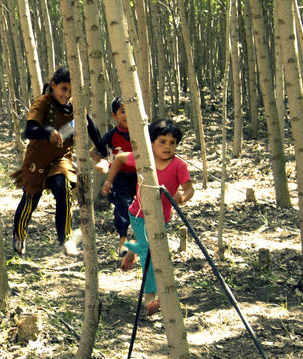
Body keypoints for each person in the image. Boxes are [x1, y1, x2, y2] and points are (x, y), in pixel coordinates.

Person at [100, 119, 195, 316]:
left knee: (147, 245)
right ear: (151, 142)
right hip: (138, 214)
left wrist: (183, 198)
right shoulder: (144, 160)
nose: (167, 147)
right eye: (162, 142)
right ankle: (150, 298)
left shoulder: (179, 165)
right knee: (150, 255)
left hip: (162, 217)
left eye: (172, 143)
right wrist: (109, 181)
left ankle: (131, 250)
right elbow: (119, 158)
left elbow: (189, 188)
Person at [10, 67, 102, 257]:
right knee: (30, 199)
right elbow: (30, 130)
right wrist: (48, 132)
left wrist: (104, 152)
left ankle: (66, 239)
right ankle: (19, 236)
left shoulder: (76, 106)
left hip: (61, 159)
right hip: (38, 159)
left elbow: (92, 129)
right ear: (53, 85)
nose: (67, 95)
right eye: (63, 89)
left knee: (63, 187)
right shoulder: (42, 103)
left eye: (71, 91)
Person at [92, 97, 136, 257]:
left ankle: (139, 240)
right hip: (118, 175)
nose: (127, 115)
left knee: (142, 204)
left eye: (130, 110)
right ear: (114, 115)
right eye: (123, 111)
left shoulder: (141, 133)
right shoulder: (111, 135)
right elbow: (94, 151)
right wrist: (103, 161)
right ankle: (123, 240)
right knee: (122, 204)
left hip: (139, 174)